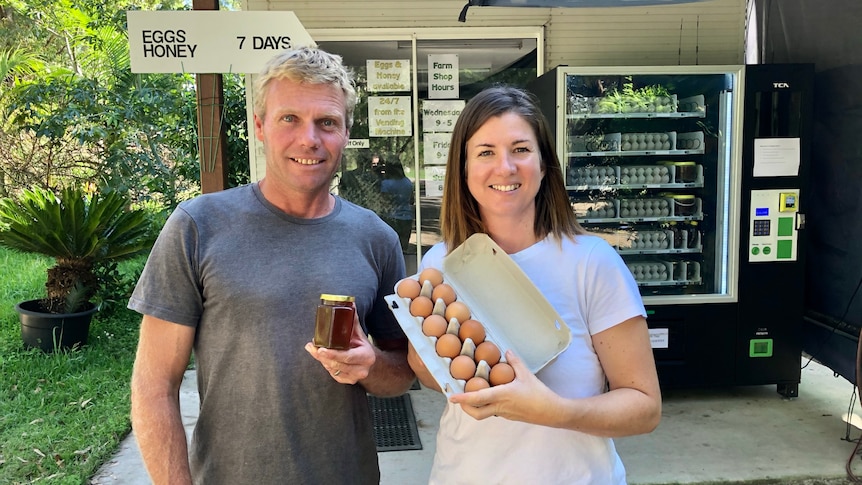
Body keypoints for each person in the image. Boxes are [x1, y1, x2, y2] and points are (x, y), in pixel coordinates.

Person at [128, 46, 415, 485]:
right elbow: (153, 388)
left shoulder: (375, 237)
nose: (309, 139)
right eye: (289, 119)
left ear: (346, 132)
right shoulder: (198, 226)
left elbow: (401, 372)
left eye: (327, 122)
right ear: (259, 126)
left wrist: (370, 365)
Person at [407, 85, 662, 484]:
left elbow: (645, 407)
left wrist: (555, 411)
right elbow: (434, 375)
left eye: (521, 149)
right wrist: (430, 354)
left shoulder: (591, 263)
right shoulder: (440, 261)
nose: (504, 167)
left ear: (544, 165)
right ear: (464, 169)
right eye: (486, 152)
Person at [379, 158, 415, 251]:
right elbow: (411, 200)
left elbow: (384, 203)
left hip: (391, 218)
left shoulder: (386, 184)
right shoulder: (407, 182)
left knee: (391, 250)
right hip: (407, 217)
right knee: (403, 249)